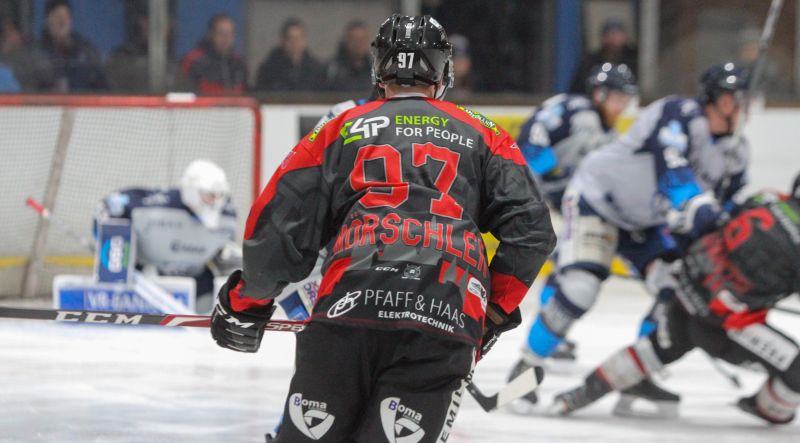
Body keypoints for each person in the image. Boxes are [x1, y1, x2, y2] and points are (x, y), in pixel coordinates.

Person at [210, 14, 555, 442]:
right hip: (443, 314)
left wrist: (248, 301)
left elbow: (279, 221)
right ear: (443, 71)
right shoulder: (486, 134)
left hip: (347, 308)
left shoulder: (342, 126)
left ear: (378, 69)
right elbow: (533, 232)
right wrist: (492, 313)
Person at [510, 62, 751, 412]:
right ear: (719, 100)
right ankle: (525, 370)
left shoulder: (737, 155)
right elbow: (673, 173)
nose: (743, 107)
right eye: (736, 98)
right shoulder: (678, 113)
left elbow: (722, 212)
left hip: (646, 220)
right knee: (580, 288)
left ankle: (636, 375)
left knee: (674, 289)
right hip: (599, 199)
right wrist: (699, 208)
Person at [553, 179, 800, 425]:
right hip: (723, 323)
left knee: (657, 349)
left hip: (687, 288)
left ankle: (580, 393)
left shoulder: (768, 197)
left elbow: (720, 221)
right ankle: (765, 407)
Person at [511, 63, 637, 365]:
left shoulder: (585, 114)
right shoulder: (586, 118)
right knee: (566, 259)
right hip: (519, 188)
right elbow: (535, 155)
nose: (621, 106)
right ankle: (548, 328)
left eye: (625, 99)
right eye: (617, 98)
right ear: (599, 93)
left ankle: (552, 328)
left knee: (564, 260)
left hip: (523, 187)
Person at [94, 160, 240, 313]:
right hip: (147, 278)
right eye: (209, 195)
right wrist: (109, 241)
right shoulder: (153, 206)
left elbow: (225, 251)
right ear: (191, 191)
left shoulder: (228, 215)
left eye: (220, 195)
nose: (216, 203)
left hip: (198, 283)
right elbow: (111, 205)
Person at [37, 0, 108, 91]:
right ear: (47, 19)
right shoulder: (36, 53)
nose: (62, 21)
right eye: (57, 16)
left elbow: (103, 88)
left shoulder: (86, 51)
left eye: (66, 16)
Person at [181, 14, 247, 94]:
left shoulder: (239, 63)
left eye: (230, 33)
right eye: (221, 33)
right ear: (211, 34)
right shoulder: (194, 61)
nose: (226, 38)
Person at [569, 18, 638, 94]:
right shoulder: (591, 60)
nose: (614, 39)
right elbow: (576, 90)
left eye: (617, 35)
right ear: (603, 38)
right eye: (610, 35)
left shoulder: (634, 58)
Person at [255, 17, 324, 91]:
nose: (294, 43)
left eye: (298, 39)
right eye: (290, 39)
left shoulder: (316, 70)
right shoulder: (268, 70)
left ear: (304, 40)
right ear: (283, 41)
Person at [324, 20, 373, 91]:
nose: (359, 44)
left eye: (363, 39)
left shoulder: (377, 70)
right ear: (347, 40)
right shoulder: (332, 70)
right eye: (355, 39)